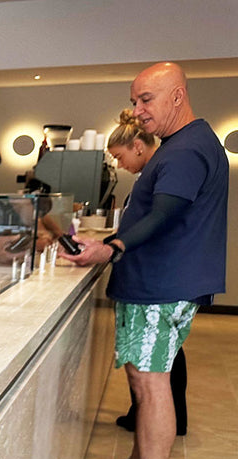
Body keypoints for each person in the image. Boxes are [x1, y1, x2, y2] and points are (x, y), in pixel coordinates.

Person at [60, 62, 228, 459]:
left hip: (163, 284)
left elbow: (165, 215)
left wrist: (110, 247)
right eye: (135, 100)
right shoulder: (184, 145)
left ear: (177, 96)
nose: (137, 110)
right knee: (142, 377)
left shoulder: (186, 150)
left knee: (153, 384)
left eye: (145, 100)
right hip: (154, 282)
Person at [103, 109, 188, 437]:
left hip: (157, 281)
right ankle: (161, 419)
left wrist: (113, 246)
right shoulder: (151, 174)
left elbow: (156, 223)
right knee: (164, 359)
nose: (119, 165)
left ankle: (168, 423)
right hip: (155, 279)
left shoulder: (164, 170)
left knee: (155, 369)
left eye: (119, 157)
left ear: (138, 146)